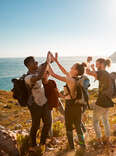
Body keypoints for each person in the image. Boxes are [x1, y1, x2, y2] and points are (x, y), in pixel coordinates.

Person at [48, 53, 86, 150]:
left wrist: (48, 62)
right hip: (78, 106)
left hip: (70, 106)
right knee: (78, 126)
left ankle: (72, 148)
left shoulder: (70, 80)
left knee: (69, 127)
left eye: (72, 67)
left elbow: (52, 74)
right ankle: (82, 146)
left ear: (76, 71)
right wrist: (56, 61)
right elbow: (65, 71)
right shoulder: (77, 79)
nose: (70, 68)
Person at [24, 53, 52, 151]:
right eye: (33, 62)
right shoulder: (28, 78)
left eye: (36, 60)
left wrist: (50, 59)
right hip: (35, 105)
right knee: (35, 125)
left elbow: (45, 64)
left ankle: (42, 144)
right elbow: (39, 77)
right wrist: (48, 62)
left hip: (44, 102)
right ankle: (33, 146)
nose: (36, 62)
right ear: (28, 65)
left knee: (48, 122)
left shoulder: (38, 70)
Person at [86, 58, 114, 146]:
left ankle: (99, 141)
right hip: (108, 101)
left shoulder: (101, 72)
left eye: (97, 64)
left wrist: (88, 62)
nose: (96, 65)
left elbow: (87, 72)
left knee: (95, 121)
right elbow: (97, 76)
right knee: (105, 120)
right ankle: (108, 140)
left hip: (101, 101)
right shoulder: (107, 74)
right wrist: (94, 68)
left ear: (102, 64)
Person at [42, 70, 65, 139]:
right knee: (50, 122)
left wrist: (63, 97)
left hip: (57, 101)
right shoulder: (40, 84)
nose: (45, 75)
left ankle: (74, 127)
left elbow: (57, 92)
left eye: (47, 73)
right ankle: (51, 138)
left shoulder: (52, 82)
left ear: (48, 74)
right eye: (43, 73)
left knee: (66, 113)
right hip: (47, 105)